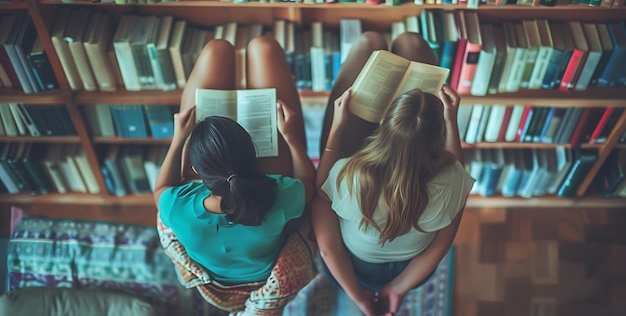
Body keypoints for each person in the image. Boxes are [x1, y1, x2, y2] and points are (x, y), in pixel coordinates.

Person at [310, 31, 475, 316]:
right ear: (440, 136)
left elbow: (323, 211)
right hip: (412, 268)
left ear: (383, 130)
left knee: (370, 43)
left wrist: (339, 124)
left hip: (353, 265)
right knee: (412, 42)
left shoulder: (353, 176)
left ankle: (373, 46)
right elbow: (439, 246)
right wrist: (397, 289)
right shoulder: (452, 183)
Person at [153, 35, 315, 296]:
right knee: (263, 47)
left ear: (195, 171)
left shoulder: (178, 205)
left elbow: (161, 188)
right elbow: (309, 185)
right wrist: (290, 137)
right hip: (261, 273)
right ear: (256, 160)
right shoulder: (279, 195)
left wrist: (178, 139)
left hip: (217, 279)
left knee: (217, 49)